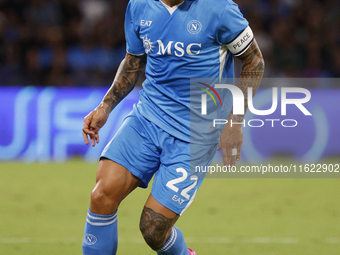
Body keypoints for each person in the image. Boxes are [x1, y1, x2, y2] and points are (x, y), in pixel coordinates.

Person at [81, 0, 264, 254]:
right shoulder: (139, 6)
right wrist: (105, 106)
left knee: (153, 230)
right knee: (101, 195)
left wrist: (234, 121)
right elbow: (133, 62)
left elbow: (254, 61)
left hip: (195, 137)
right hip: (147, 119)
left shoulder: (219, 9)